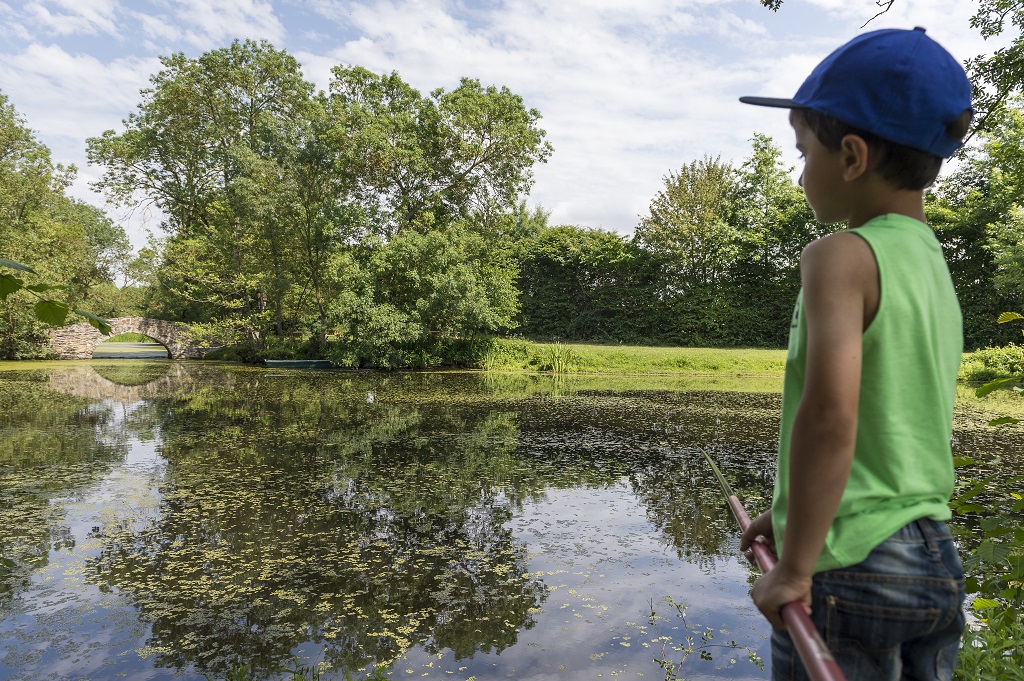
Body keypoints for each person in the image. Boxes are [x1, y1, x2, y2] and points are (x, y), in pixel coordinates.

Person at [737, 27, 972, 680]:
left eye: (801, 148)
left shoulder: (838, 256)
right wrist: (785, 513)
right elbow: (888, 436)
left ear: (851, 156)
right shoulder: (931, 264)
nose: (798, 168)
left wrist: (795, 566)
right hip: (934, 562)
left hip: (853, 570)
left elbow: (832, 415)